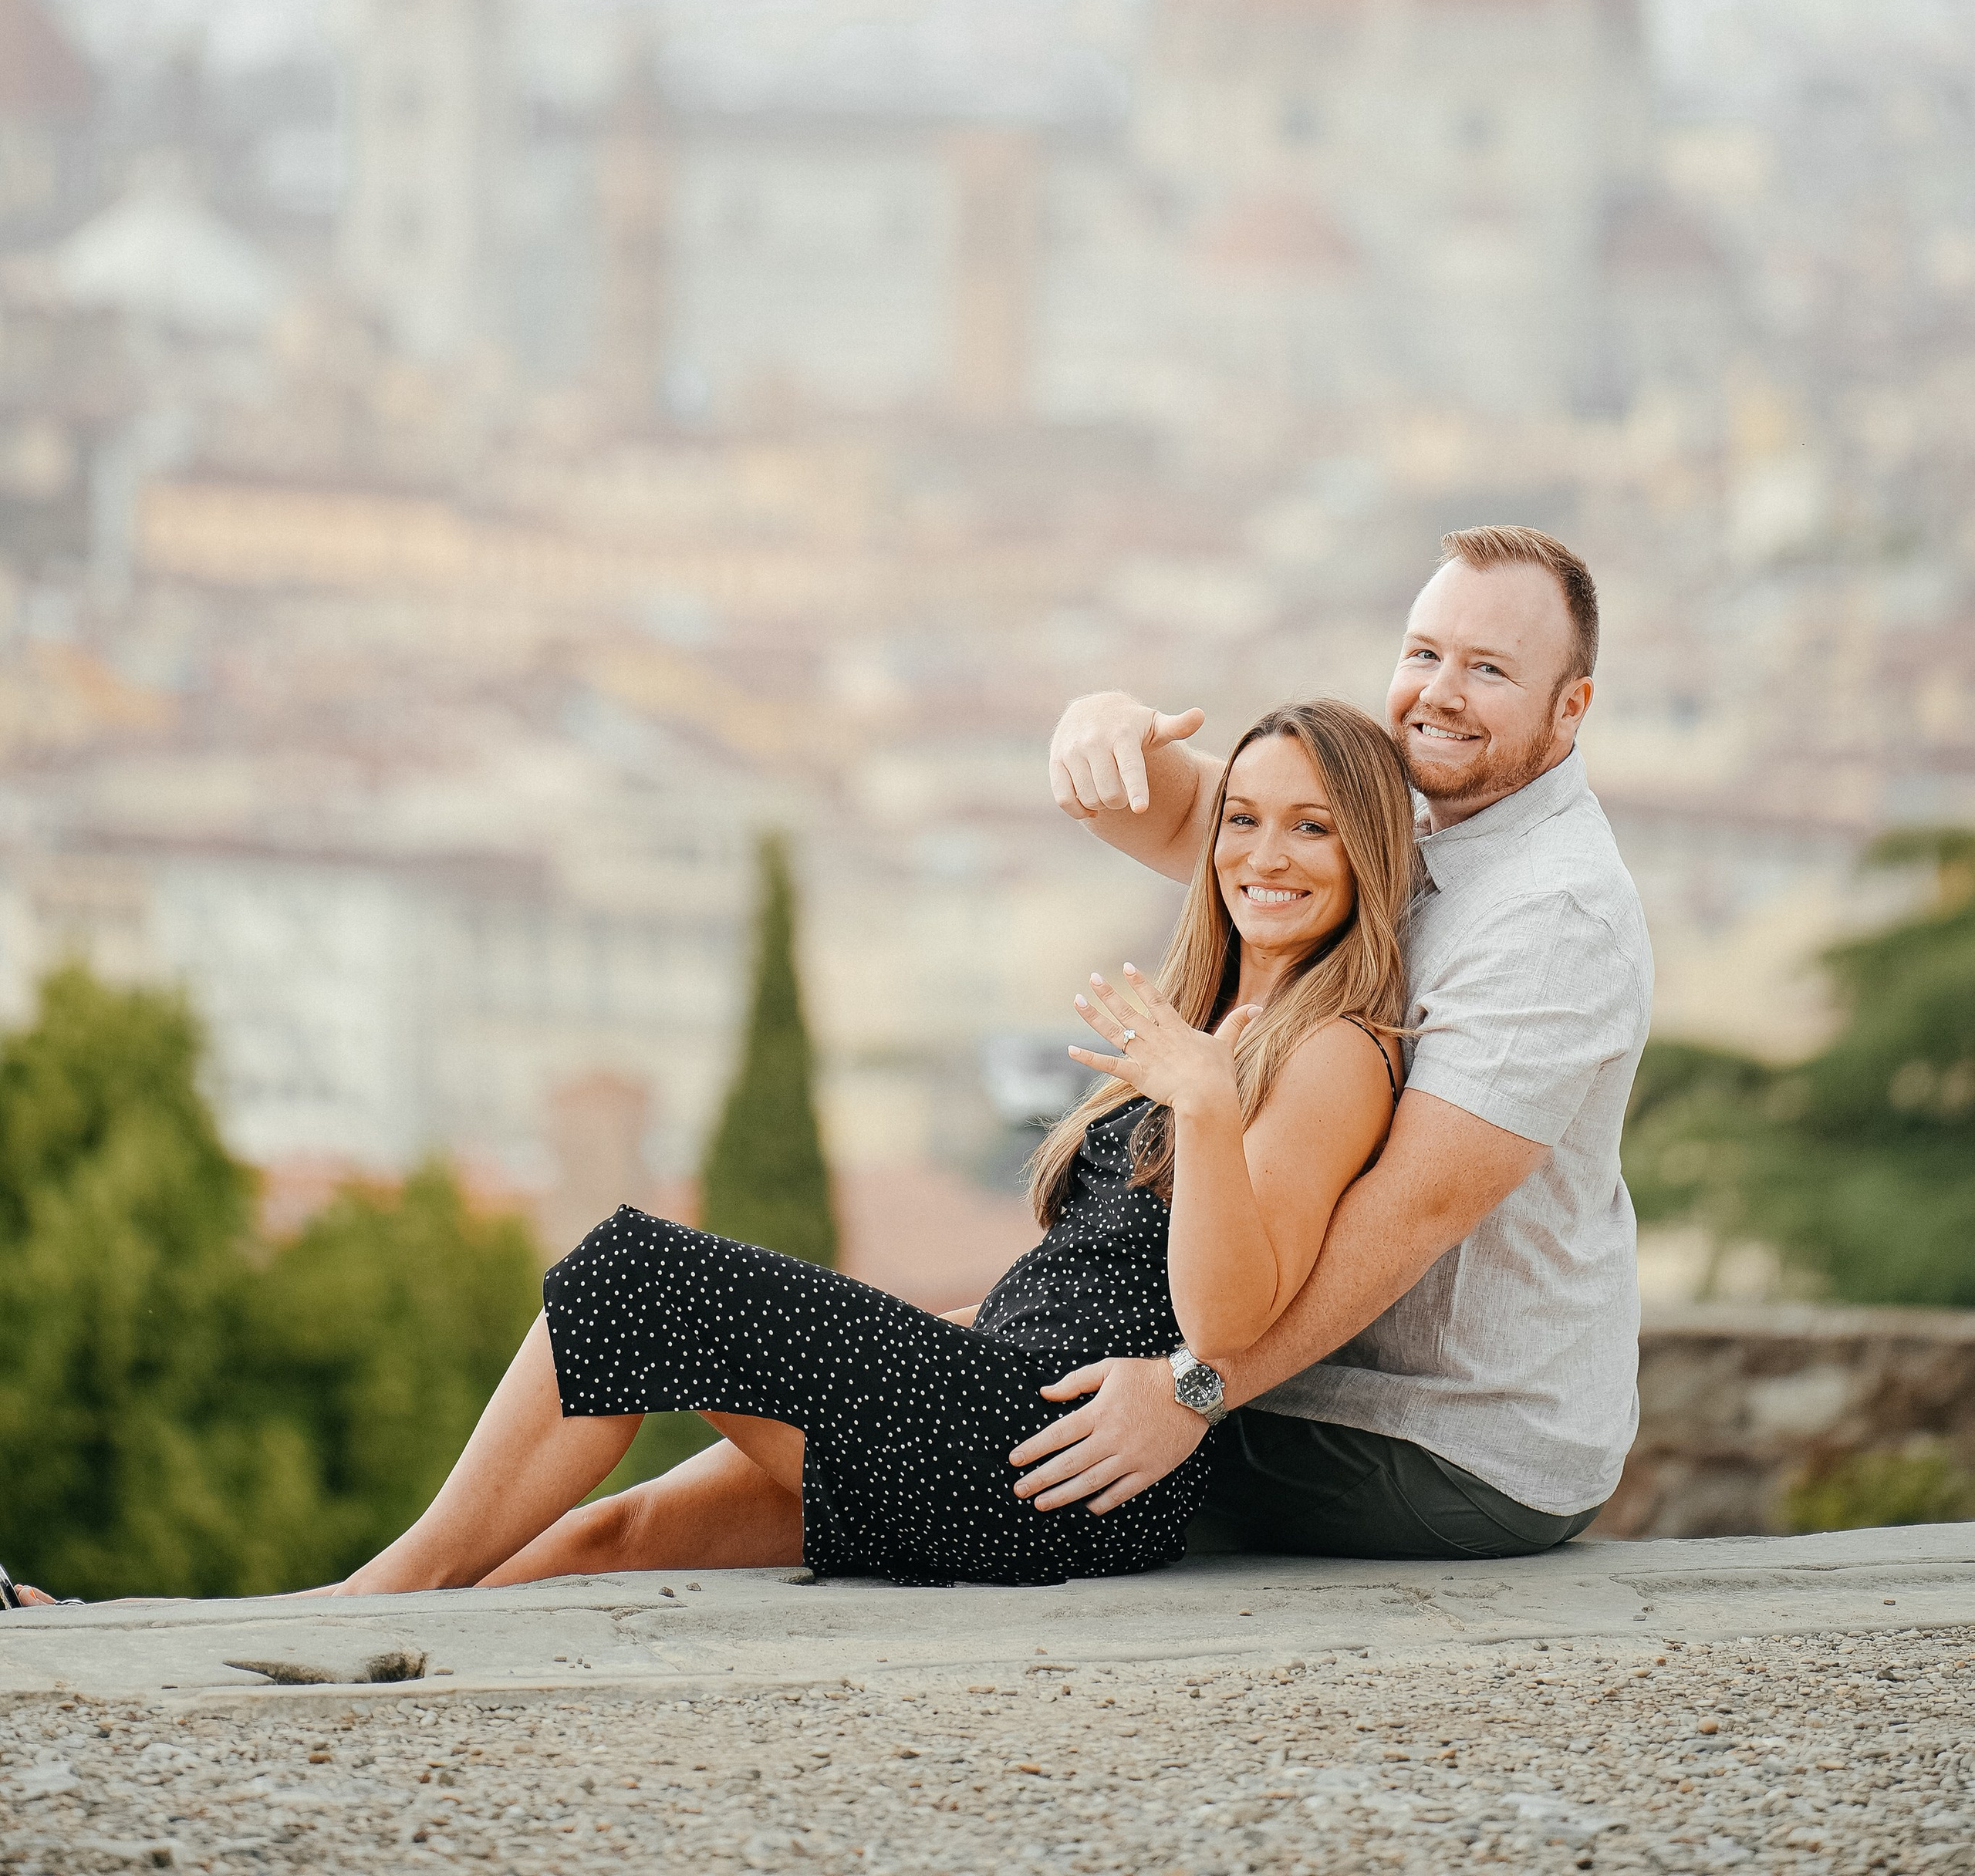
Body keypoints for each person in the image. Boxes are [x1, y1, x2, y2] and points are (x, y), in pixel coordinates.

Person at [329, 700, 1413, 1595]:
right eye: (1243, 819)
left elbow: (1226, 1325)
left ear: (1366, 854)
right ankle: (388, 1629)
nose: (1266, 855)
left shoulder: (1334, 1052)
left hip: (1042, 1466)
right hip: (1000, 1405)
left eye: (1313, 828)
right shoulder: (1216, 1014)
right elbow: (1078, 1285)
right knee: (617, 1534)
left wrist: (1210, 1111)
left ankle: (368, 1602)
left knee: (630, 1278)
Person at [1014, 523, 1652, 1562]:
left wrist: (1191, 1393)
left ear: (1570, 707)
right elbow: (1185, 814)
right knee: (961, 1369)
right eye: (1423, 653)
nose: (1439, 693)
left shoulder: (1553, 917)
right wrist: (1100, 725)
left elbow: (1410, 1217)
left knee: (981, 1423)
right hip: (1311, 1375)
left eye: (1488, 669)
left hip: (1446, 1440)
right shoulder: (1410, 811)